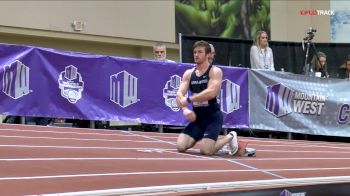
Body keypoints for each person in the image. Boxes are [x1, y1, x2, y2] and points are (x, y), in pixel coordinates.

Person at [176, 40, 255, 156]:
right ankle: (201, 137)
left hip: (212, 118)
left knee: (206, 151)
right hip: (197, 118)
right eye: (194, 52)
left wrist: (189, 100)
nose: (196, 55)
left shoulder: (215, 71)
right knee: (181, 146)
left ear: (208, 55)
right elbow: (179, 95)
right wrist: (185, 109)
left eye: (200, 52)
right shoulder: (188, 73)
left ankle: (230, 136)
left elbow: (211, 93)